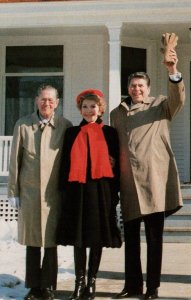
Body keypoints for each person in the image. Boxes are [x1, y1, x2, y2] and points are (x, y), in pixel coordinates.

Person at [110, 34, 185, 299]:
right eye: (133, 85)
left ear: (148, 88)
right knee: (131, 240)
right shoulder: (116, 113)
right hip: (129, 184)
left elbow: (178, 97)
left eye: (141, 85)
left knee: (154, 239)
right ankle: (133, 286)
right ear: (128, 88)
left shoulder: (162, 106)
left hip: (154, 182)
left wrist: (173, 70)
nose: (137, 89)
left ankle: (152, 288)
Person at [8, 85, 72, 300]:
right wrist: (13, 191)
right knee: (33, 242)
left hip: (54, 194)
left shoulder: (65, 126)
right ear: (36, 100)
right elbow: (15, 161)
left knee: (51, 243)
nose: (47, 103)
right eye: (43, 99)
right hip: (30, 193)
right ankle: (34, 287)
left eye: (51, 100)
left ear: (58, 102)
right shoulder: (23, 125)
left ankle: (48, 287)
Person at [57, 89, 122, 300]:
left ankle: (91, 282)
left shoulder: (110, 133)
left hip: (100, 189)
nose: (88, 110)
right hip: (77, 190)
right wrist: (63, 191)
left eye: (92, 106)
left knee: (95, 237)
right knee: (79, 239)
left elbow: (117, 164)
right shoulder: (71, 133)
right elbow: (64, 164)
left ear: (100, 108)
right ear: (80, 109)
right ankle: (79, 282)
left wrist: (115, 191)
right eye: (84, 106)